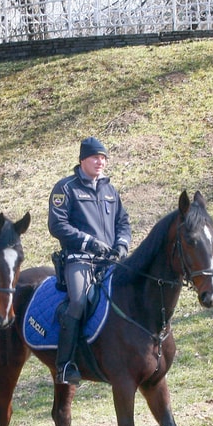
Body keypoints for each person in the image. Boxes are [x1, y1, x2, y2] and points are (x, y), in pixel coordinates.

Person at [48, 136, 131, 385]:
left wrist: (122, 244)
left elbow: (123, 222)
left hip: (109, 262)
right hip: (79, 260)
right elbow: (57, 225)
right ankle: (65, 365)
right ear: (82, 159)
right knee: (79, 302)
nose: (100, 161)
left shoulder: (110, 190)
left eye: (104, 157)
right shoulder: (65, 188)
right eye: (95, 157)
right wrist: (88, 242)